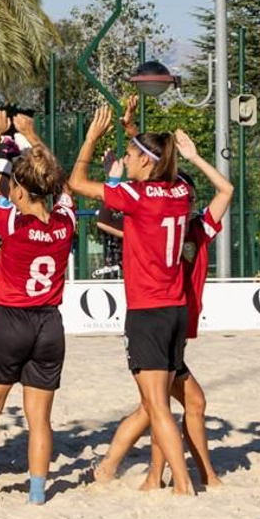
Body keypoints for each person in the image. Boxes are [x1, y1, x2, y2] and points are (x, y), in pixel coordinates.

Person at [90, 128, 234, 490]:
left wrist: (130, 162)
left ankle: (154, 475)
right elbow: (108, 219)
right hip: (159, 317)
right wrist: (119, 172)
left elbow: (223, 191)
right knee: (158, 407)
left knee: (158, 408)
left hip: (172, 320)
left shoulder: (195, 229)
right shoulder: (154, 222)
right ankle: (135, 471)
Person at [68, 107, 198, 496]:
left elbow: (76, 182)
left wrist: (91, 137)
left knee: (156, 407)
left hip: (148, 310)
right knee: (153, 404)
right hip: (176, 308)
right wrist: (133, 131)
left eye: (130, 153)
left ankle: (184, 485)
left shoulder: (136, 195)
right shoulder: (182, 191)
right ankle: (120, 471)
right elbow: (159, 161)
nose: (126, 158)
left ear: (146, 160)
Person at [0, 112, 76, 504]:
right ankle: (38, 493)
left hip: (10, 321)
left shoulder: (12, 221)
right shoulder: (66, 220)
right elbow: (58, 182)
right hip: (49, 325)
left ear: (22, 192)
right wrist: (30, 134)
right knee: (39, 418)